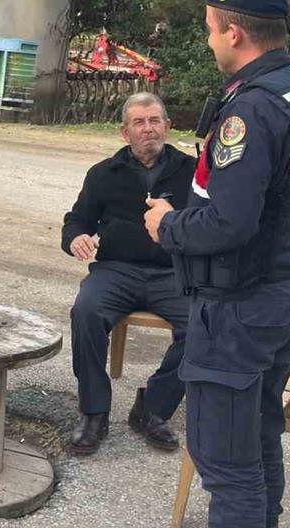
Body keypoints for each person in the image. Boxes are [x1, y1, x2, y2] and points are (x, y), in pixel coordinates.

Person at [144, 0, 290, 527]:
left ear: (235, 34)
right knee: (257, 441)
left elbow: (229, 222)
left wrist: (168, 224)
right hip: (281, 291)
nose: (207, 40)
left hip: (238, 307)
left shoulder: (252, 110)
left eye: (210, 29)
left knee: (226, 466)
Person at [63, 92, 194, 455]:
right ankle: (94, 411)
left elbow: (207, 223)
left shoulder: (192, 172)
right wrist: (76, 239)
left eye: (155, 121)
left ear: (167, 126)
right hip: (116, 270)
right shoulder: (104, 174)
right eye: (139, 122)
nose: (148, 128)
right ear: (125, 133)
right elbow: (77, 221)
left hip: (172, 272)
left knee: (204, 323)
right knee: (85, 312)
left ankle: (152, 407)